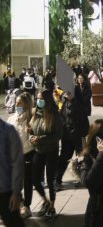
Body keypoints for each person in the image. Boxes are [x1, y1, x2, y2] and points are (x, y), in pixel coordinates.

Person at [28, 89, 63, 220]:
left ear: (47, 100)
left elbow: (58, 135)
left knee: (50, 180)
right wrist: (31, 134)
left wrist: (41, 138)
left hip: (51, 151)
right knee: (35, 179)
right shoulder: (36, 113)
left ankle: (52, 206)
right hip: (38, 150)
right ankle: (46, 202)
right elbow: (33, 130)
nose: (38, 101)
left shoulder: (55, 115)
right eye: (37, 98)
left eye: (41, 99)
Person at [6, 92, 33, 220]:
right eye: (16, 102)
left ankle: (26, 206)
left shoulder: (31, 118)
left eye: (20, 103)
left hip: (28, 154)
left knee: (27, 181)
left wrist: (31, 131)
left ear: (26, 104)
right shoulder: (11, 119)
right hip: (14, 156)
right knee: (15, 182)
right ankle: (19, 202)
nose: (17, 105)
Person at [55, 91, 88, 190]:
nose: (66, 94)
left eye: (69, 93)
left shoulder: (78, 102)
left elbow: (82, 116)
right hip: (67, 137)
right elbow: (63, 118)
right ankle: (57, 180)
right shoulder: (64, 103)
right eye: (66, 93)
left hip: (77, 136)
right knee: (64, 158)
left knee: (82, 158)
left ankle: (84, 179)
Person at [0, 116, 25, 227]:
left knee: (14, 223)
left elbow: (17, 164)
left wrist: (16, 192)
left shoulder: (8, 131)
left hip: (6, 192)